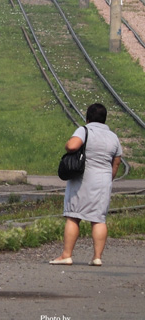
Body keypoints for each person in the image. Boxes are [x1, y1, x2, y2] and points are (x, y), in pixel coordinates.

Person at [50, 103, 123, 266]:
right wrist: (108, 178)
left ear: (87, 117)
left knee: (74, 216)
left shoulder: (84, 130)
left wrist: (68, 145)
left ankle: (66, 255)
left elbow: (72, 145)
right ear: (105, 119)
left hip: (83, 179)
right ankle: (97, 257)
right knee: (98, 218)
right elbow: (116, 162)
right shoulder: (113, 136)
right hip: (103, 180)